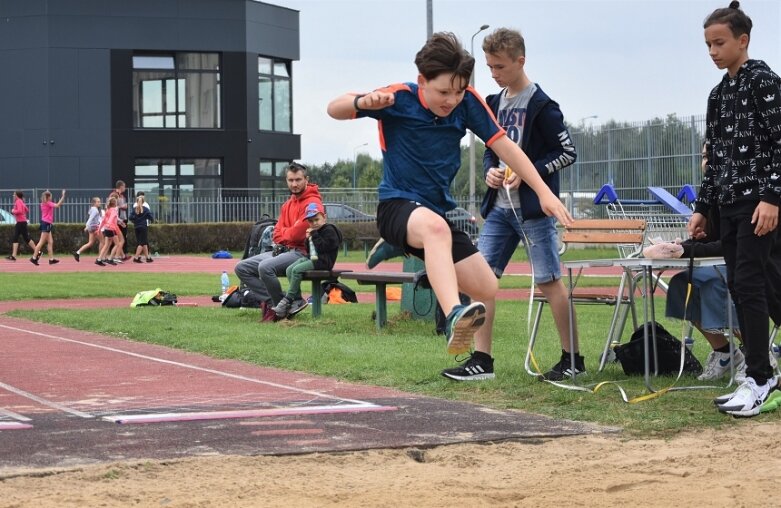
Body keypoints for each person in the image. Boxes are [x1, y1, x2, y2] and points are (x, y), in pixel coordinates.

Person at [327, 32, 573, 375]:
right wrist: (360, 103)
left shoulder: (468, 102)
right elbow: (333, 107)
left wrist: (544, 191)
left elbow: (506, 149)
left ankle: (415, 254)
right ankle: (454, 312)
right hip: (397, 205)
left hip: (433, 212)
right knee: (436, 230)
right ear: (422, 82)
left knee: (487, 286)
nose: (451, 100)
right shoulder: (398, 98)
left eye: (458, 92)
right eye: (443, 92)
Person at [462, 27, 580, 382]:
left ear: (520, 61)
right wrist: (490, 174)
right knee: (481, 281)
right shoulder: (493, 103)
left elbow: (567, 152)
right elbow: (489, 149)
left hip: (533, 211)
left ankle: (573, 358)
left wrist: (532, 174)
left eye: (499, 66)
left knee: (549, 281)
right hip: (499, 209)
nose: (494, 74)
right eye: (489, 67)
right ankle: (481, 359)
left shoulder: (543, 106)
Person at [691, 1, 781, 416]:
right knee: (748, 285)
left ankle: (761, 377)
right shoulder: (718, 94)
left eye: (720, 42)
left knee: (748, 282)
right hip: (726, 204)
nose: (713, 51)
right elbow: (717, 157)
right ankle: (760, 371)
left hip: (759, 202)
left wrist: (772, 197)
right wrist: (702, 208)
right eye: (708, 44)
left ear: (743, 40)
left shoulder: (763, 81)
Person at [234, 162, 324, 322]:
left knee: (265, 267)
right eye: (290, 180)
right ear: (286, 180)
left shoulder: (313, 203)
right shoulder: (287, 204)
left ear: (306, 179)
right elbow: (276, 233)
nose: (294, 184)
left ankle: (282, 306)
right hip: (283, 250)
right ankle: (278, 304)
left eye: (298, 180)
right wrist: (288, 232)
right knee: (242, 268)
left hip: (303, 253)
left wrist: (286, 232)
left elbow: (298, 234)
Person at [272, 202, 342, 319]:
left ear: (324, 217)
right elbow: (310, 250)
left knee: (297, 270)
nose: (314, 223)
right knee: (289, 269)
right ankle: (297, 299)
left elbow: (324, 247)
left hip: (323, 262)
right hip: (313, 258)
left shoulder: (329, 230)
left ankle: (288, 299)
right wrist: (307, 240)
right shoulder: (315, 231)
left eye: (316, 219)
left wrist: (314, 235)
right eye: (310, 221)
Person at [30, 189, 66, 266]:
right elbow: (57, 205)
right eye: (51, 196)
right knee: (41, 242)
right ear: (48, 197)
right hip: (46, 223)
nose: (51, 198)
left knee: (50, 242)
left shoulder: (43, 203)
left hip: (46, 223)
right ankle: (33, 258)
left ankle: (51, 259)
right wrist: (63, 196)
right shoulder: (48, 203)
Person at [7, 190, 37, 261]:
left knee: (26, 238)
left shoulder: (18, 201)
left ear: (17, 195)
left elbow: (20, 211)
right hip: (21, 222)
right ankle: (13, 256)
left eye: (14, 195)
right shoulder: (21, 201)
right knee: (16, 238)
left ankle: (37, 252)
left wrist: (13, 211)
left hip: (21, 222)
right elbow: (26, 210)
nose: (13, 196)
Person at [73, 197, 103, 262]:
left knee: (90, 243)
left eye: (99, 201)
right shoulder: (95, 210)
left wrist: (88, 226)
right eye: (98, 202)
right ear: (94, 203)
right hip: (94, 227)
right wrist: (87, 226)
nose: (99, 203)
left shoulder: (92, 209)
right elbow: (90, 218)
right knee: (103, 242)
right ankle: (100, 258)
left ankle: (77, 252)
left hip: (91, 228)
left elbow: (91, 217)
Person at [95, 196, 122, 266]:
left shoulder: (108, 210)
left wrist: (99, 229)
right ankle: (110, 259)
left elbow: (103, 221)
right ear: (115, 203)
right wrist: (109, 224)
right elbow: (112, 217)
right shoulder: (113, 210)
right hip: (111, 229)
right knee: (117, 244)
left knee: (107, 244)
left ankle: (99, 259)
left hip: (107, 229)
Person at [129, 195, 154, 263]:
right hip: (143, 227)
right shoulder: (146, 209)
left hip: (136, 227)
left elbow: (130, 217)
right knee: (141, 243)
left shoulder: (134, 209)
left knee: (144, 242)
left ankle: (147, 257)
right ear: (143, 202)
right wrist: (150, 219)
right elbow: (151, 217)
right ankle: (136, 258)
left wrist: (135, 220)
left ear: (136, 202)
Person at [111, 180, 130, 260]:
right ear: (121, 186)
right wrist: (123, 206)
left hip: (120, 219)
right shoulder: (114, 195)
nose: (125, 188)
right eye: (124, 186)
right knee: (120, 240)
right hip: (117, 220)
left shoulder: (121, 195)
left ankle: (121, 255)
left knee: (120, 239)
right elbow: (113, 207)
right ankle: (116, 257)